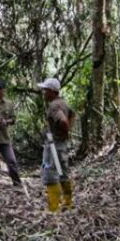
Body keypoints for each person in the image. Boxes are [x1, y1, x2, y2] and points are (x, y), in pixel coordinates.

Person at [38, 77, 75, 212]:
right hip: (62, 144)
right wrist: (66, 134)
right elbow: (72, 115)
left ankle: (53, 209)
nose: (43, 93)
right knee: (62, 173)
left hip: (54, 145)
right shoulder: (63, 103)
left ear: (52, 91)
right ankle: (68, 203)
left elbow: (64, 121)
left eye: (45, 90)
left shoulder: (54, 106)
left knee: (50, 175)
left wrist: (63, 131)